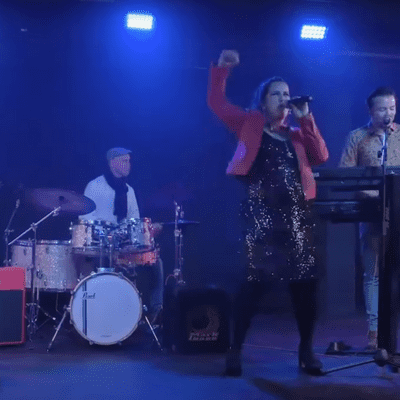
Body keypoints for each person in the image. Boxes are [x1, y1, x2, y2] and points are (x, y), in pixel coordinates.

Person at [207, 50, 329, 376]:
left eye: (287, 94)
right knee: (251, 287)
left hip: (297, 219)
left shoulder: (296, 134)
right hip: (261, 217)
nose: (284, 99)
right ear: (263, 101)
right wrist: (222, 70)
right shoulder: (250, 123)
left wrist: (306, 118)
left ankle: (306, 351)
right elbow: (217, 104)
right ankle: (235, 350)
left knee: (306, 288)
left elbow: (321, 155)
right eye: (277, 94)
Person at [339, 86, 400, 350]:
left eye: (392, 108)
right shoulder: (357, 137)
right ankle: (374, 332)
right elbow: (345, 174)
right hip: (371, 214)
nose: (388, 113)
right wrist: (373, 194)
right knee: (372, 273)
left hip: (398, 214)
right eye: (383, 109)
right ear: (371, 110)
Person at [78, 147, 164, 321]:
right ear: (112, 163)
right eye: (124, 161)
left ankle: (156, 310)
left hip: (123, 247)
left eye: (129, 161)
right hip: (100, 246)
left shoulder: (128, 190)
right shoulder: (95, 186)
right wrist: (106, 234)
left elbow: (134, 221)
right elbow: (85, 217)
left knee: (156, 261)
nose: (128, 165)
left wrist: (147, 230)